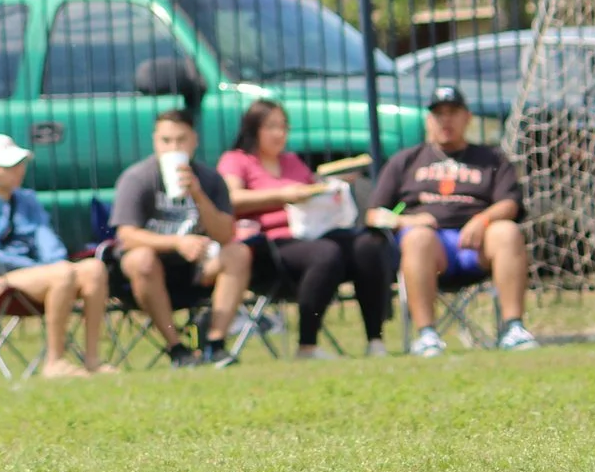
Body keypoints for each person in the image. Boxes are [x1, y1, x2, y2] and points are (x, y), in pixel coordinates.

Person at [366, 85, 535, 355]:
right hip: (432, 248)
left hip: (478, 245)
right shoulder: (406, 161)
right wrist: (407, 222)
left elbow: (510, 203)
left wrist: (483, 219)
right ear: (428, 120)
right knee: (418, 239)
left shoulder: (491, 158)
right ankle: (427, 335)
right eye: (439, 114)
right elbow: (374, 214)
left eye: (453, 113)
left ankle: (513, 327)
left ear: (467, 117)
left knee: (507, 232)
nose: (446, 120)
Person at [218, 101, 391, 358]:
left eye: (284, 127)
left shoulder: (291, 161)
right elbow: (230, 199)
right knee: (325, 252)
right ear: (254, 129)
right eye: (272, 127)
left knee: (367, 244)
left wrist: (329, 187)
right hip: (267, 244)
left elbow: (309, 193)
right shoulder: (236, 161)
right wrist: (281, 196)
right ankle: (307, 345)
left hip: (308, 232)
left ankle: (375, 340)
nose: (280, 134)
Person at [0, 133, 114, 378]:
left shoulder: (27, 200)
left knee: (94, 269)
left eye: (20, 163)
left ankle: (92, 360)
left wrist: (55, 262)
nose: (18, 170)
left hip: (46, 274)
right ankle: (54, 362)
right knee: (62, 273)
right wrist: (42, 267)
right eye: (9, 166)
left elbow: (45, 237)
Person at [108, 111, 250, 366]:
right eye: (166, 140)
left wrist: (198, 195)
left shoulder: (209, 179)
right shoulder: (137, 178)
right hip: (148, 276)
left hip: (198, 269)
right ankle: (177, 348)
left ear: (194, 140)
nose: (173, 147)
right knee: (141, 259)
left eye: (181, 140)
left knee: (238, 253)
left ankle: (215, 345)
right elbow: (126, 236)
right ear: (155, 141)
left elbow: (225, 234)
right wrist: (176, 243)